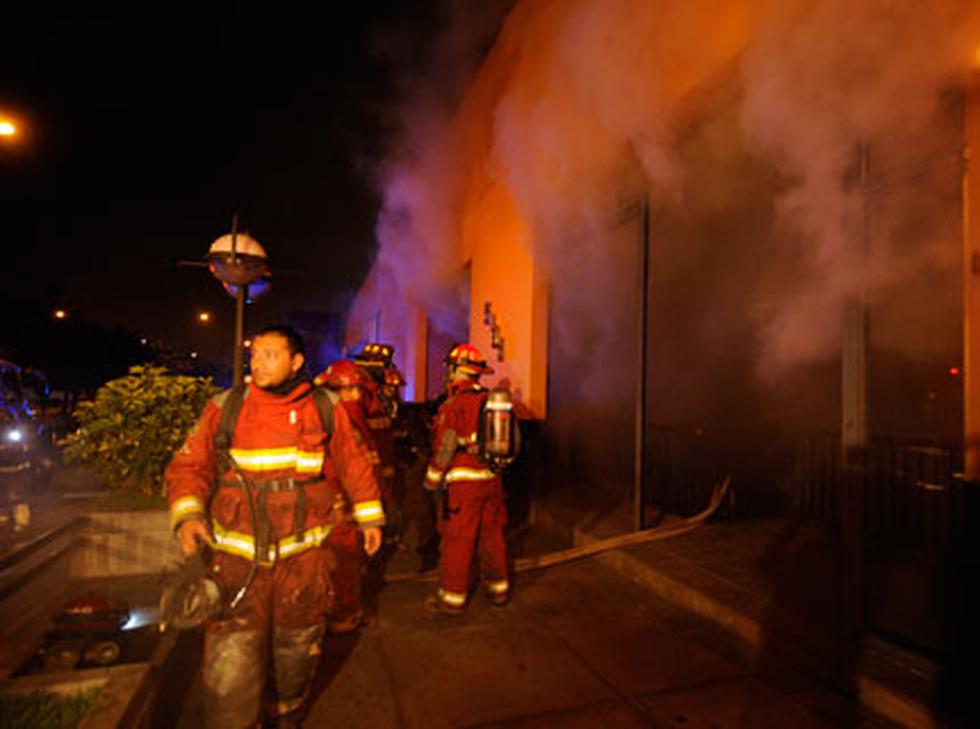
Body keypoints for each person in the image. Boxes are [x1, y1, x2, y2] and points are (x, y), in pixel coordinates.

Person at [166, 325, 384, 727]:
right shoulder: (227, 406)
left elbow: (354, 465)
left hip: (303, 561)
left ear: (296, 361)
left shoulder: (324, 406)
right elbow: (188, 466)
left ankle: (286, 715)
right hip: (237, 561)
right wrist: (189, 516)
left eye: (270, 354)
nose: (258, 362)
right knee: (231, 656)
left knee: (297, 647)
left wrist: (370, 518)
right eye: (255, 354)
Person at [423, 343, 509, 614]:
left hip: (463, 485)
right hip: (492, 480)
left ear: (458, 370)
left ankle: (452, 600)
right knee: (492, 536)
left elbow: (445, 446)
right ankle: (498, 590)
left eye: (451, 367)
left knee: (458, 540)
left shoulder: (454, 403)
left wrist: (432, 480)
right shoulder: (491, 401)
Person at [312, 359, 379, 634]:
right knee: (344, 562)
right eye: (348, 390)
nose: (354, 396)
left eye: (356, 390)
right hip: (340, 502)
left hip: (328, 501)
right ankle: (344, 615)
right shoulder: (345, 418)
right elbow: (355, 462)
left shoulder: (320, 413)